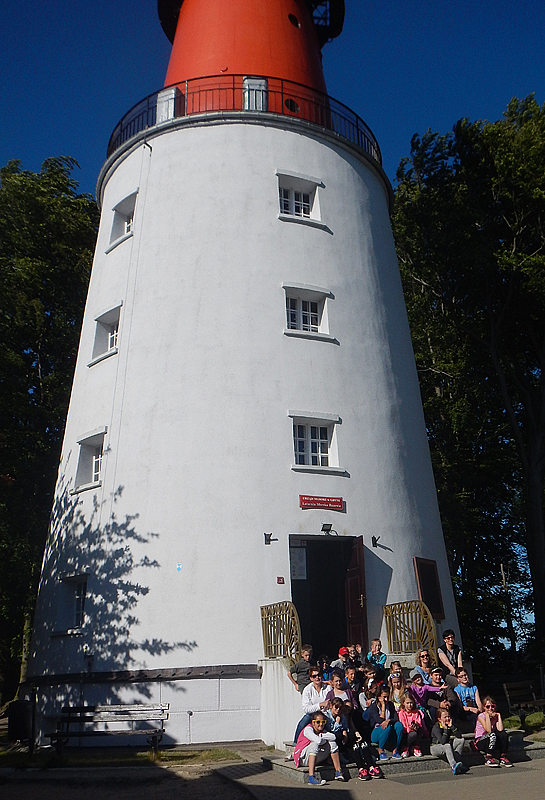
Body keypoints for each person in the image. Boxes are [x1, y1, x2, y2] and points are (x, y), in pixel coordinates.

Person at [294, 711, 346, 785]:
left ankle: (338, 771)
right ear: (313, 722)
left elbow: (333, 737)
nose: (321, 724)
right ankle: (311, 777)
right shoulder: (308, 730)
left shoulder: (321, 731)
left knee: (332, 742)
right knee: (315, 744)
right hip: (302, 759)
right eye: (318, 722)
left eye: (323, 722)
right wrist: (322, 738)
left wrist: (321, 736)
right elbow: (318, 741)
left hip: (314, 757)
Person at [293, 667, 330, 743]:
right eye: (314, 676)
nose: (317, 678)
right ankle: (295, 744)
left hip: (325, 713)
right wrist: (320, 705)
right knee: (302, 723)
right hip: (312, 714)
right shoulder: (307, 690)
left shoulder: (328, 688)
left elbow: (330, 704)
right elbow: (306, 708)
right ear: (311, 678)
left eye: (319, 675)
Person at [368, 684, 404, 759]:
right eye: (384, 697)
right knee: (386, 727)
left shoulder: (390, 705)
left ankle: (395, 750)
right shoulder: (373, 707)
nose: (386, 699)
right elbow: (380, 721)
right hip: (376, 732)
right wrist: (383, 706)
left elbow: (395, 718)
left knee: (398, 725)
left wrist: (389, 721)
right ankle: (381, 750)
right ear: (379, 697)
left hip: (389, 730)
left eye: (387, 697)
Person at [474, 696, 512, 767]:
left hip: (492, 741)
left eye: (493, 706)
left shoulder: (495, 716)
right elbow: (488, 730)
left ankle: (503, 756)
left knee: (503, 734)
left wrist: (498, 716)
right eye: (488, 707)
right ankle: (488, 757)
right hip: (481, 740)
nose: (490, 708)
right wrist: (487, 716)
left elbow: (500, 729)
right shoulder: (481, 716)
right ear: (484, 707)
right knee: (492, 735)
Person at [430, 708, 468, 775]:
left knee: (460, 740)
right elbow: (443, 741)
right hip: (435, 747)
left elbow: (459, 735)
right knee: (447, 745)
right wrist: (445, 729)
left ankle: (457, 763)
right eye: (445, 717)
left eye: (448, 716)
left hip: (447, 746)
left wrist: (452, 727)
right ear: (439, 719)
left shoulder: (449, 724)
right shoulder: (436, 728)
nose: (447, 719)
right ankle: (453, 765)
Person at [453, 666, 482, 732]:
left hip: (474, 709)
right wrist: (471, 709)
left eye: (465, 675)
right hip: (465, 711)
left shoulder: (474, 688)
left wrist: (479, 709)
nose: (464, 677)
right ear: (458, 679)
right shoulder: (457, 690)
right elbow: (460, 706)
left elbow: (478, 702)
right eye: (461, 676)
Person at [398, 693, 424, 757]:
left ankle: (416, 747)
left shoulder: (416, 712)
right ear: (403, 703)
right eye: (407, 703)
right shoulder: (401, 713)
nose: (410, 705)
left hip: (414, 730)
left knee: (419, 730)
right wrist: (410, 728)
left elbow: (418, 722)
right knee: (413, 734)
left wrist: (416, 725)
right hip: (406, 733)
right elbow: (403, 726)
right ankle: (405, 747)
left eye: (411, 703)